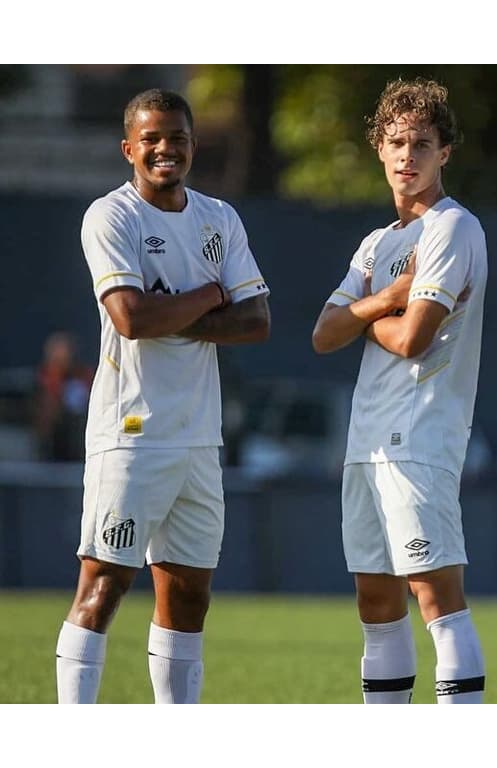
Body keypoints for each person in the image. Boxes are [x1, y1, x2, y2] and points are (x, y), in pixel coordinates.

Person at [56, 88, 271, 704]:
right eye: (151, 139)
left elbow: (256, 321)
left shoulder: (219, 218)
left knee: (189, 597)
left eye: (176, 137)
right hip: (132, 434)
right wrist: (207, 296)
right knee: (103, 587)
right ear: (130, 148)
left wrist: (170, 308)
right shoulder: (111, 216)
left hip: (200, 438)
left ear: (192, 145)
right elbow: (129, 317)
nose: (165, 150)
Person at [311, 78, 487, 704]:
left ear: (445, 153)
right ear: (379, 151)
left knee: (434, 593)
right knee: (376, 599)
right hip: (367, 440)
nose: (407, 155)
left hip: (419, 436)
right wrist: (384, 298)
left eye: (422, 143)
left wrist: (367, 316)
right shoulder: (377, 244)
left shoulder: (453, 228)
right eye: (396, 142)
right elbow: (323, 334)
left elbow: (414, 338)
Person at [33, 331, 94, 461]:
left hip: (81, 441)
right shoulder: (44, 380)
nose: (64, 358)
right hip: (51, 445)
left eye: (67, 353)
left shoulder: (84, 376)